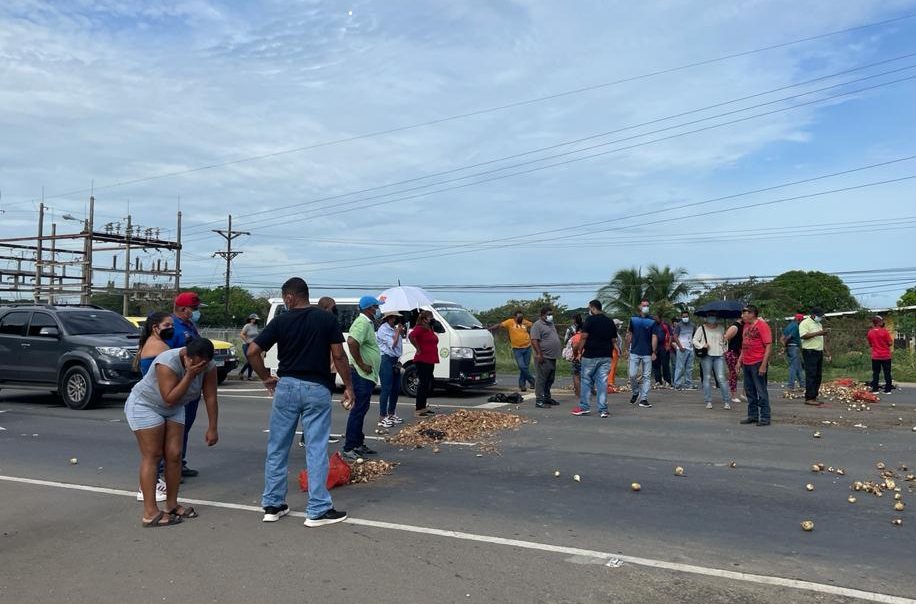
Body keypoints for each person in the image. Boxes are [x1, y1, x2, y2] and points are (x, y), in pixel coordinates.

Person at [246, 277, 352, 527]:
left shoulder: (281, 321)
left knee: (278, 446)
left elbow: (252, 351)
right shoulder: (326, 319)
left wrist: (265, 377)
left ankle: (272, 505)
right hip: (317, 388)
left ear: (290, 297)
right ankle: (318, 509)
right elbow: (338, 355)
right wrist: (349, 386)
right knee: (316, 448)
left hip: (287, 386)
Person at [124, 337, 219, 527]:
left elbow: (210, 396)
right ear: (186, 355)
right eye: (196, 364)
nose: (200, 368)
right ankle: (150, 513)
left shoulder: (207, 365)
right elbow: (169, 398)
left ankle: (171, 504)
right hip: (146, 405)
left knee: (175, 455)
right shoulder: (167, 362)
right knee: (153, 455)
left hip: (175, 408)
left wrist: (212, 427)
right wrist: (190, 375)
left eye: (204, 364)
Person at [162, 291, 205, 479]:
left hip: (191, 382)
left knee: (184, 426)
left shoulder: (190, 325)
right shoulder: (171, 327)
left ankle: (180, 462)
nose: (196, 312)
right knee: (173, 429)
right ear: (183, 309)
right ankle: (166, 468)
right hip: (178, 382)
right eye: (194, 309)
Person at [132, 311, 174, 503]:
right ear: (155, 327)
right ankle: (147, 487)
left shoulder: (149, 343)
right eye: (167, 325)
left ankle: (153, 482)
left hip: (155, 398)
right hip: (155, 401)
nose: (171, 328)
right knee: (154, 452)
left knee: (155, 451)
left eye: (171, 325)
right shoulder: (159, 346)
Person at [343, 296, 382, 461]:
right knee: (358, 410)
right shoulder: (362, 323)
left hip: (366, 375)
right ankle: (349, 447)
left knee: (362, 409)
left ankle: (358, 443)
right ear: (369, 308)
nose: (378, 310)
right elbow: (352, 342)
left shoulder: (368, 323)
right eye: (376, 307)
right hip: (361, 374)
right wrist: (361, 363)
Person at [299, 296, 342, 447]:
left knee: (321, 405)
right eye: (333, 308)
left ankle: (317, 434)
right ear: (326, 307)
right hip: (323, 369)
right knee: (317, 405)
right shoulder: (323, 323)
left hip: (328, 368)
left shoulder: (322, 322)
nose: (335, 311)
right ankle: (308, 436)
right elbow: (338, 353)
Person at [571, 300, 618, 418]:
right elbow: (613, 340)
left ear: (592, 308)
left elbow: (584, 337)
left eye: (589, 308)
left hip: (591, 355)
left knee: (586, 381)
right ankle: (603, 410)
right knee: (602, 382)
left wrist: (579, 352)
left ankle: (584, 407)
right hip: (606, 355)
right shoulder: (609, 321)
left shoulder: (590, 320)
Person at [737, 305, 772, 426]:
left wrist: (763, 364)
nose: (742, 316)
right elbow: (744, 345)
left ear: (752, 314)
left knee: (761, 391)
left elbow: (768, 346)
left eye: (744, 313)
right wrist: (739, 361)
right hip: (747, 362)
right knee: (749, 391)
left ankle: (765, 417)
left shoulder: (762, 325)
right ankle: (753, 415)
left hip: (758, 362)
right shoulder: (746, 326)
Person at [692, 313, 731, 410]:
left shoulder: (721, 328)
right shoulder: (701, 328)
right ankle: (708, 401)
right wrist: (702, 346)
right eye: (710, 316)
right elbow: (695, 340)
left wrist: (725, 342)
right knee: (707, 378)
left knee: (721, 378)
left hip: (719, 355)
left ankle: (727, 401)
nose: (711, 318)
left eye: (713, 316)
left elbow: (724, 343)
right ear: (706, 318)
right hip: (707, 356)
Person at [489, 310, 535, 392]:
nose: (520, 318)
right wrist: (489, 329)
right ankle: (532, 381)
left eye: (522, 317)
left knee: (525, 367)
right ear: (514, 317)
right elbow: (499, 325)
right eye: (519, 317)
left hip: (527, 347)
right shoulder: (510, 322)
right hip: (517, 349)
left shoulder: (525, 322)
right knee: (522, 366)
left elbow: (533, 325)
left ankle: (522, 385)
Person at [625, 301, 657, 409]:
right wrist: (626, 348)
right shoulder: (633, 319)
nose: (646, 307)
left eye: (647, 305)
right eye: (644, 305)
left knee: (646, 376)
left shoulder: (652, 321)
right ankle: (635, 392)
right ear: (639, 307)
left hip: (647, 353)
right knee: (632, 375)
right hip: (634, 351)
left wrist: (653, 351)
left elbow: (654, 336)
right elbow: (629, 334)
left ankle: (644, 398)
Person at [376, 310, 405, 427]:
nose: (396, 320)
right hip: (386, 359)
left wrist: (400, 332)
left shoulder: (393, 329)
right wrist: (397, 332)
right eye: (394, 318)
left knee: (395, 388)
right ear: (389, 318)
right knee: (386, 388)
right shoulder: (383, 329)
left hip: (395, 359)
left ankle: (391, 413)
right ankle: (382, 416)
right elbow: (392, 344)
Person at [409, 310, 439, 417]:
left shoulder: (429, 328)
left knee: (427, 383)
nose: (432, 319)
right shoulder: (419, 328)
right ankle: (419, 408)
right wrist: (417, 348)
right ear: (425, 319)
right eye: (430, 317)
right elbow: (411, 336)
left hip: (430, 359)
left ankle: (423, 406)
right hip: (422, 359)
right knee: (423, 383)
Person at [530, 306, 561, 408]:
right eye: (548, 314)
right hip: (544, 356)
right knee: (541, 379)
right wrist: (539, 354)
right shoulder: (537, 325)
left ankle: (547, 397)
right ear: (542, 315)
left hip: (552, 356)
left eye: (551, 314)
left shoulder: (551, 324)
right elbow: (534, 340)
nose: (550, 316)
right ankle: (539, 400)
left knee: (550, 379)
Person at [799, 307, 828, 405]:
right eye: (819, 316)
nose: (820, 318)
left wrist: (826, 350)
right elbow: (803, 336)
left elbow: (821, 339)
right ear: (813, 315)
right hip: (809, 351)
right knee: (811, 374)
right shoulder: (805, 323)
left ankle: (814, 395)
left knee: (818, 375)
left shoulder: (819, 324)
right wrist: (819, 333)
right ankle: (809, 398)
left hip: (818, 351)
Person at [867, 315, 893, 394]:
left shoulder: (870, 332)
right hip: (886, 356)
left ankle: (875, 389)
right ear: (879, 322)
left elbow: (870, 344)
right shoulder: (885, 331)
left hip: (876, 356)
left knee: (875, 373)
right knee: (887, 372)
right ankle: (888, 390)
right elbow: (890, 343)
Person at [672, 309, 696, 390]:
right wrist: (680, 346)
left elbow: (694, 335)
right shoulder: (679, 325)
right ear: (681, 317)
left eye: (686, 316)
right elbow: (675, 336)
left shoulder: (692, 325)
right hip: (682, 349)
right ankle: (677, 384)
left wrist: (694, 345)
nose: (685, 318)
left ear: (689, 316)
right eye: (683, 317)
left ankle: (688, 383)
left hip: (690, 348)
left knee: (689, 367)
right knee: (680, 367)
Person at [780, 313, 804, 389]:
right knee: (793, 367)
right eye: (801, 320)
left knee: (798, 367)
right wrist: (786, 345)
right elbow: (789, 337)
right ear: (799, 320)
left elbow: (781, 339)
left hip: (790, 348)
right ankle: (791, 385)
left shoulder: (789, 326)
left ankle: (802, 384)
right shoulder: (796, 326)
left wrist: (785, 346)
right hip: (794, 347)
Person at [723, 315, 744, 405]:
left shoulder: (745, 326)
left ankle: (744, 394)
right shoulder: (735, 327)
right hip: (733, 353)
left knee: (747, 373)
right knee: (734, 374)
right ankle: (733, 395)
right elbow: (725, 338)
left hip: (742, 353)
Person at [564, 314, 584, 398]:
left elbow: (566, 341)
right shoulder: (587, 334)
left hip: (576, 356)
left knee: (576, 375)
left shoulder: (572, 332)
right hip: (586, 357)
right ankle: (590, 391)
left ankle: (578, 393)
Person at [238, 313, 261, 380]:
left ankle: (249, 376)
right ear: (251, 319)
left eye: (256, 319)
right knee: (250, 360)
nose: (255, 320)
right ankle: (241, 372)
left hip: (253, 345)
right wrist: (247, 341)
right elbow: (241, 334)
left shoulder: (256, 326)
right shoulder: (247, 326)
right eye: (254, 319)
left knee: (252, 360)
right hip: (246, 345)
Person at [651, 316, 672, 387]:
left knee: (665, 365)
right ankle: (658, 381)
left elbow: (670, 335)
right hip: (655, 347)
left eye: (656, 318)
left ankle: (667, 381)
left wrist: (669, 345)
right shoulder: (652, 325)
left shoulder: (665, 325)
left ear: (660, 318)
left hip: (664, 347)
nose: (655, 319)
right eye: (654, 318)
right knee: (655, 364)